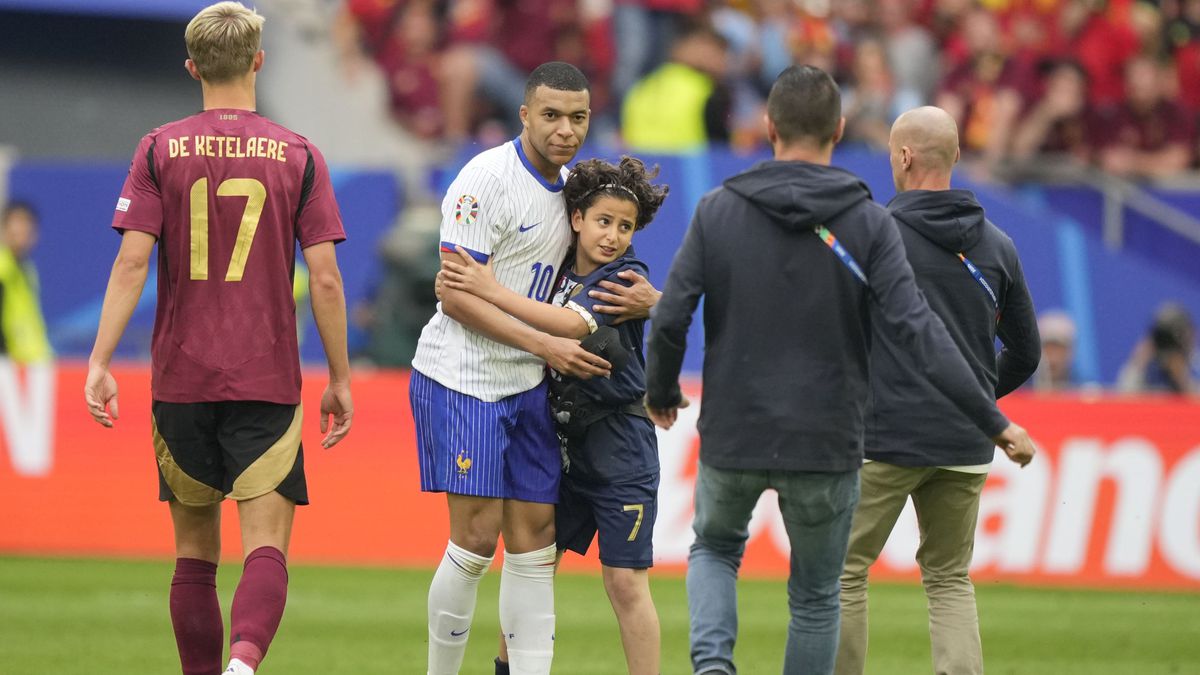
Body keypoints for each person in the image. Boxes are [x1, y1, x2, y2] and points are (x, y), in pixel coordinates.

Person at [643, 65, 1037, 675]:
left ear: (768, 126)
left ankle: (714, 666)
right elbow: (925, 333)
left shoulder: (720, 210)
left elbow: (671, 317)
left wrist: (661, 391)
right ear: (841, 129)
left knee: (725, 551)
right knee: (845, 588)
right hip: (840, 437)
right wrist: (989, 416)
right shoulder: (882, 224)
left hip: (764, 426)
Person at [82, 4, 354, 675]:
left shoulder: (156, 148)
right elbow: (324, 278)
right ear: (259, 62)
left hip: (182, 375)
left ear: (191, 66)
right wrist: (342, 379)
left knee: (193, 552)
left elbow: (132, 263)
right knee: (266, 545)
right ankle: (243, 664)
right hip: (265, 375)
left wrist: (99, 360)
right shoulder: (299, 155)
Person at [408, 62, 658, 675]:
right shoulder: (483, 180)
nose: (565, 129)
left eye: (578, 117)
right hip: (462, 375)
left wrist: (657, 299)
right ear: (524, 115)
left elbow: (601, 288)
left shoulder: (576, 194)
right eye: (551, 115)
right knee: (474, 541)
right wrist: (544, 346)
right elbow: (456, 296)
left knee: (535, 545)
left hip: (529, 387)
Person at [833, 106, 1042, 675]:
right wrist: (972, 399)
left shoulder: (872, 234)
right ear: (955, 157)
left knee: (841, 572)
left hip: (884, 437)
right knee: (949, 580)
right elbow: (1027, 353)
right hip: (967, 443)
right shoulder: (998, 246)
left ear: (902, 157)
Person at [0, 201, 51, 365]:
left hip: (31, 361)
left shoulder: (27, 269)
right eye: (17, 223)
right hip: (9, 363)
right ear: (5, 229)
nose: (22, 230)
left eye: (27, 224)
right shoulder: (2, 267)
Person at [1117, 302, 1198, 394]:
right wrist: (1138, 363)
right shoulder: (1148, 369)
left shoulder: (1195, 363)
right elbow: (1124, 398)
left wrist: (1182, 378)